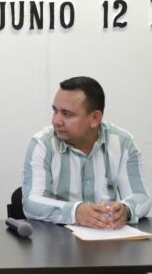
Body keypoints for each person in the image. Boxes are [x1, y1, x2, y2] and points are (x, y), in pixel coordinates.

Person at [22, 76, 151, 228]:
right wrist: (75, 212)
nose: (56, 121)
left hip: (107, 237)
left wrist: (126, 210)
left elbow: (141, 196)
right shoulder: (42, 144)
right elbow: (31, 202)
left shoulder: (123, 143)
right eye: (55, 111)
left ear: (95, 118)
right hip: (57, 237)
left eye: (67, 114)